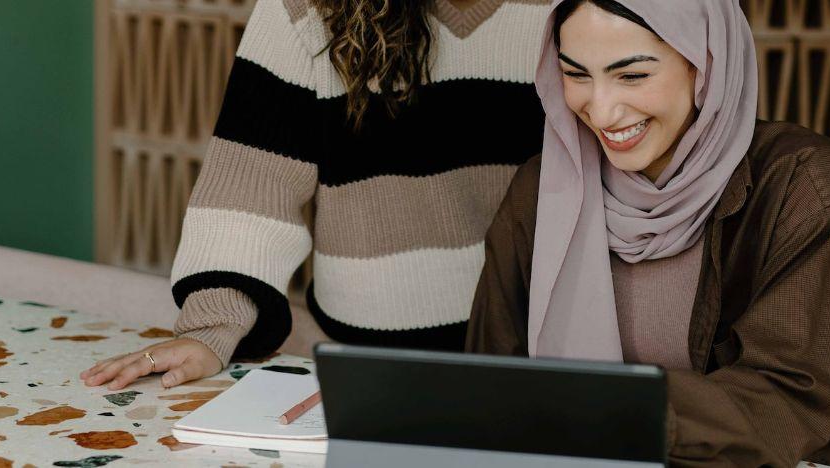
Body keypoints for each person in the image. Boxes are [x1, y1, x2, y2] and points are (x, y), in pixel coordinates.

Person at [465, 0, 830, 465]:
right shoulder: (542, 191)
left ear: (704, 62)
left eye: (632, 75)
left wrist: (607, 410)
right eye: (577, 75)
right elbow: (492, 379)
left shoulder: (801, 184)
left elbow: (785, 399)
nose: (602, 111)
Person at [83, 0, 550, 390]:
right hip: (359, 371)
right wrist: (210, 330)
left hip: (543, 363)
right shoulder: (305, 9)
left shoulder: (571, 11)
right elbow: (251, 189)